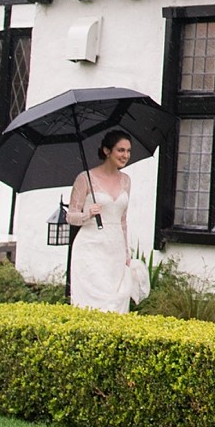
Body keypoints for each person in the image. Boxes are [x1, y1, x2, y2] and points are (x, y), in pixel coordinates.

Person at [66, 129, 146, 312]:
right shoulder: (85, 178)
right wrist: (87, 214)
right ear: (106, 151)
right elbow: (71, 216)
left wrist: (126, 252)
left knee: (116, 302)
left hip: (115, 249)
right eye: (120, 150)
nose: (125, 155)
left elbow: (123, 220)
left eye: (128, 151)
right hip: (90, 248)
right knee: (92, 305)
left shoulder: (126, 181)